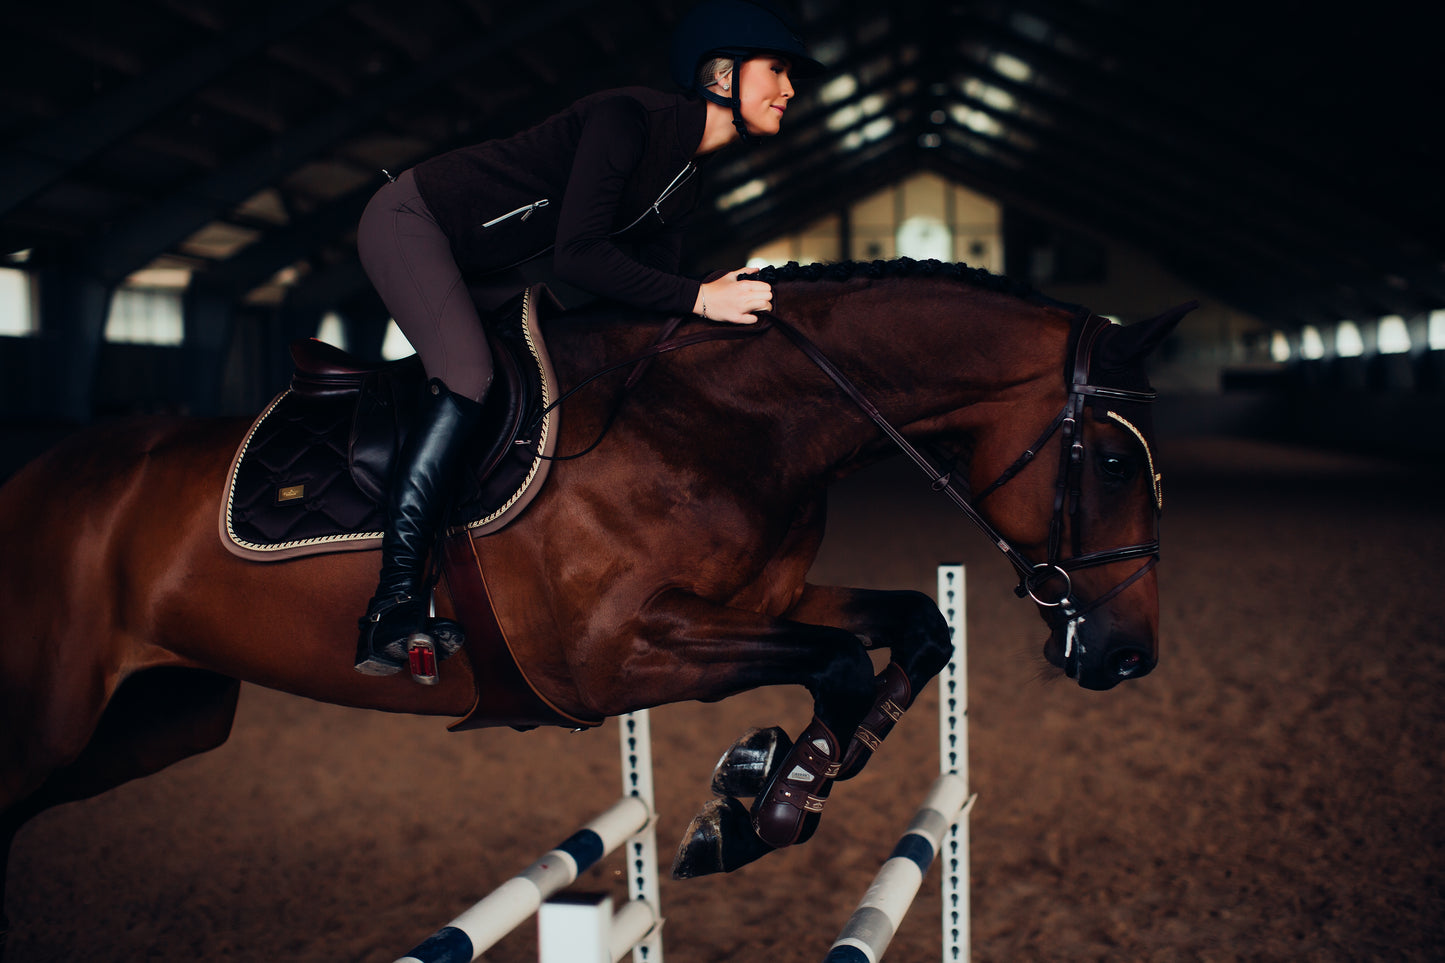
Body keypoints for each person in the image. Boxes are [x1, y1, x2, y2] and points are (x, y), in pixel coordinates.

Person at [353, 0, 824, 680]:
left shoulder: (682, 186)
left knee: (565, 356)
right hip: (414, 221)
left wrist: (709, 309)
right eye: (776, 70)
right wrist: (700, 297)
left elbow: (639, 310)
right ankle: (392, 605)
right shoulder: (624, 120)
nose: (788, 90)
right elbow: (578, 257)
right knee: (468, 373)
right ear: (722, 76)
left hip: (480, 265)